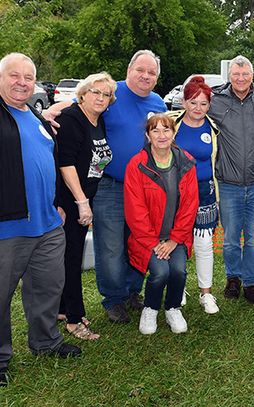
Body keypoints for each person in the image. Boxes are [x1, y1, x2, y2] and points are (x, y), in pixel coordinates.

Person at [45, 50, 167, 323]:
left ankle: (133, 290)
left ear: (157, 78)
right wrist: (53, 109)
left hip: (145, 186)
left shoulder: (158, 103)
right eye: (141, 70)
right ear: (129, 69)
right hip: (110, 185)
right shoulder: (113, 93)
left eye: (152, 73)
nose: (145, 76)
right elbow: (83, 103)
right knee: (110, 246)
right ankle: (114, 298)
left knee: (139, 242)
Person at [0, 53, 81, 387]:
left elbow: (50, 161)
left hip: (47, 224)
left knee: (47, 288)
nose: (22, 82)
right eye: (14, 75)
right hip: (8, 227)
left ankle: (46, 342)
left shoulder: (34, 115)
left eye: (28, 76)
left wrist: (59, 202)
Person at [124, 114, 198, 334]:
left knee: (178, 272)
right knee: (160, 273)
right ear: (148, 136)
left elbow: (190, 205)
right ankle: (151, 308)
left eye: (166, 130)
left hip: (176, 237)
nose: (161, 135)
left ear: (174, 133)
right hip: (149, 239)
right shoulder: (137, 165)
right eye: (155, 130)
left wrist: (175, 239)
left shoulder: (185, 161)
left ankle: (173, 308)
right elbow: (135, 210)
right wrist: (153, 243)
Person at [56, 72, 116, 340]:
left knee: (70, 254)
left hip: (86, 195)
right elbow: (66, 163)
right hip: (70, 199)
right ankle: (73, 319)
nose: (101, 98)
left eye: (106, 94)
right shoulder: (73, 119)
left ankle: (61, 307)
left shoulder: (97, 119)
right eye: (96, 92)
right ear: (83, 94)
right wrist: (81, 202)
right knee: (72, 257)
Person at [209, 55, 254, 304]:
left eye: (245, 74)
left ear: (252, 76)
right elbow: (193, 108)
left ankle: (251, 282)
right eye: (236, 74)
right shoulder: (216, 102)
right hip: (229, 182)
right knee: (231, 238)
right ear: (229, 76)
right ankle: (232, 278)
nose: (241, 79)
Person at [168, 76, 220, 314]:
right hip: (175, 191)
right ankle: (178, 289)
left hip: (205, 190)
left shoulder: (214, 127)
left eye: (203, 103)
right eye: (193, 102)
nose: (198, 108)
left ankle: (206, 293)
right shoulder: (170, 123)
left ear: (209, 105)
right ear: (184, 102)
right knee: (176, 241)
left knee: (204, 242)